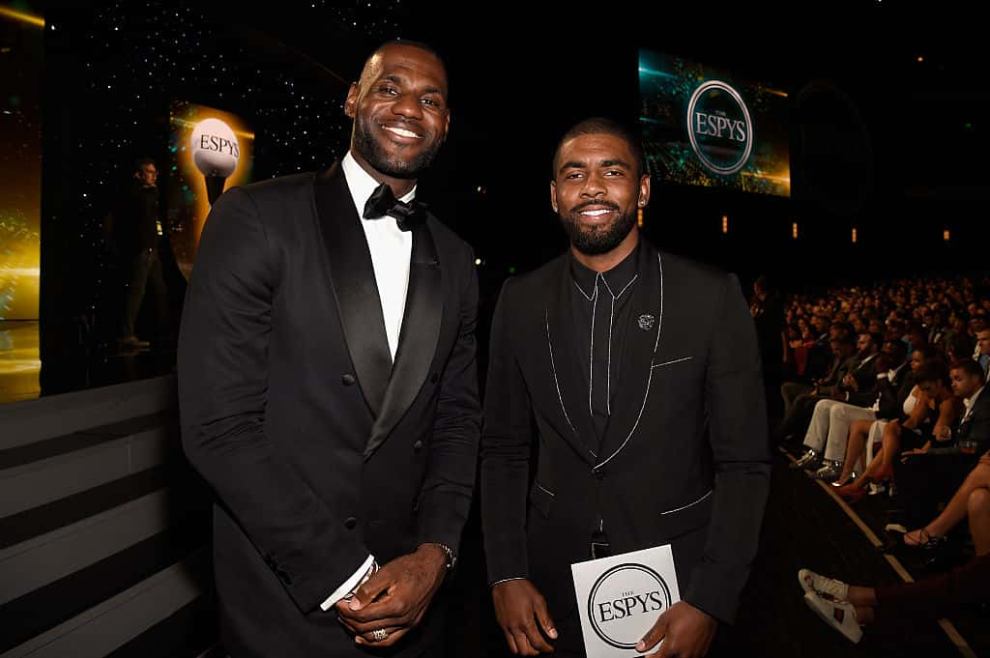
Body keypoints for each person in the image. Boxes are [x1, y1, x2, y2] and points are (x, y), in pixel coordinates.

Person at [178, 40, 481, 656]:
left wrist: (434, 556)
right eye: (389, 88)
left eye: (431, 99)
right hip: (290, 595)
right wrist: (347, 576)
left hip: (416, 603)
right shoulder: (255, 217)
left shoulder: (455, 257)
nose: (408, 108)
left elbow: (456, 421)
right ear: (352, 100)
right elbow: (218, 427)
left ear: (446, 123)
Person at [480, 117, 770, 658]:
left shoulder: (709, 297)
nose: (591, 186)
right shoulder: (518, 301)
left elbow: (745, 463)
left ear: (642, 190)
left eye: (612, 171)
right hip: (548, 587)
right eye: (574, 174)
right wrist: (505, 574)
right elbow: (502, 449)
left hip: (678, 587)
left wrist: (710, 598)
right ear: (553, 195)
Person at [115, 157, 168, 349]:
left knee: (159, 291)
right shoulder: (134, 194)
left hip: (152, 250)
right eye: (150, 172)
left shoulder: (151, 193)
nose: (154, 176)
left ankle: (160, 333)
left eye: (155, 172)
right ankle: (125, 334)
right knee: (136, 292)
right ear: (138, 174)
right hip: (141, 250)